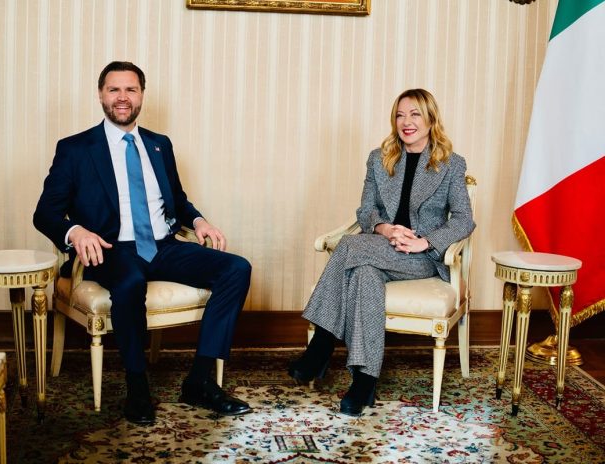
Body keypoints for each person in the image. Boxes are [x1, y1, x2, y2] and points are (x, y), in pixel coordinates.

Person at [33, 61, 252, 425]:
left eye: (131, 89)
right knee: (131, 282)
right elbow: (45, 213)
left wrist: (199, 221)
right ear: (101, 95)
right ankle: (137, 388)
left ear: (141, 96)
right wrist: (77, 232)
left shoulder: (159, 145)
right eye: (114, 89)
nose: (123, 97)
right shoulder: (76, 148)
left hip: (163, 246)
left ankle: (199, 381)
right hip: (110, 250)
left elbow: (176, 200)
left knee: (236, 268)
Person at [288, 89, 475, 416]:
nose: (406, 122)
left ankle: (321, 345)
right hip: (379, 247)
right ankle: (364, 381)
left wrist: (424, 242)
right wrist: (385, 229)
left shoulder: (450, 163)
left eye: (415, 114)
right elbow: (366, 211)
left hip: (421, 256)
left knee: (349, 245)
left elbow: (463, 219)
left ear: (430, 119)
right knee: (364, 274)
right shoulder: (380, 157)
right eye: (400, 115)